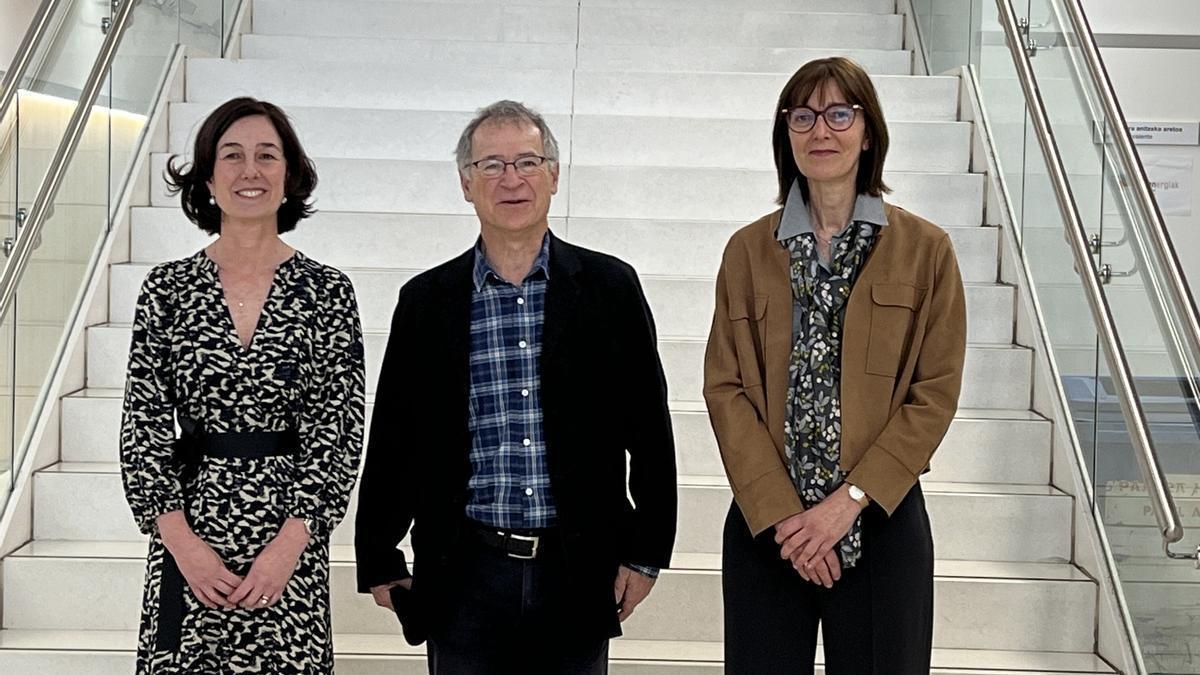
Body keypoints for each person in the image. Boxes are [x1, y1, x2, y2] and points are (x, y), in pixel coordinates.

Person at [354, 99, 677, 674]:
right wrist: (379, 552)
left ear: (554, 176)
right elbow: (396, 436)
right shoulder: (427, 302)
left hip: (577, 567)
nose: (511, 179)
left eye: (527, 162)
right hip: (464, 570)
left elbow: (650, 431)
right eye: (492, 165)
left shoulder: (609, 288)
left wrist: (647, 551)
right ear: (466, 183)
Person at [703, 57, 968, 673]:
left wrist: (846, 502)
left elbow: (934, 392)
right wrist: (789, 517)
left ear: (868, 129)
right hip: (770, 527)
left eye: (839, 113)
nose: (821, 130)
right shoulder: (747, 252)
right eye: (804, 116)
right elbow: (726, 388)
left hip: (882, 522)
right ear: (786, 132)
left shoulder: (927, 251)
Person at [119, 96, 365, 674]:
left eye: (266, 155)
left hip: (288, 540)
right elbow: (143, 427)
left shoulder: (326, 292)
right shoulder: (167, 289)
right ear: (207, 176)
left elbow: (339, 430)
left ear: (290, 174)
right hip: (190, 533)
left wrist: (288, 548)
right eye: (232, 156)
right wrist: (182, 546)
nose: (249, 171)